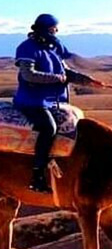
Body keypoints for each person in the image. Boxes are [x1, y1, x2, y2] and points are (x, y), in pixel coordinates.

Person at [13, 14, 106, 193]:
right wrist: (58, 78)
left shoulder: (53, 47)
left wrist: (89, 81)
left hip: (52, 101)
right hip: (32, 101)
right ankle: (37, 175)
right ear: (45, 29)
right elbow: (28, 75)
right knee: (49, 128)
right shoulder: (27, 48)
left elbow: (67, 72)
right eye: (53, 29)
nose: (55, 32)